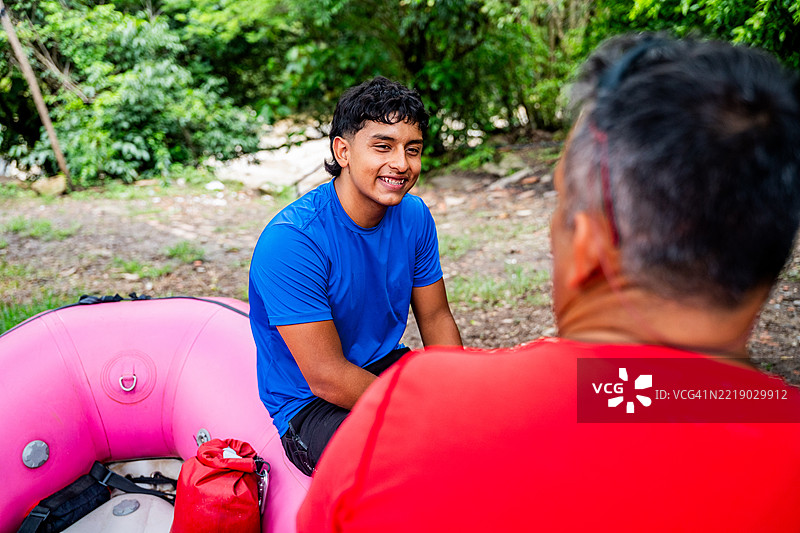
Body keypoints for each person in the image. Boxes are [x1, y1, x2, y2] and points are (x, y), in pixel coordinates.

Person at [298, 35, 800, 531]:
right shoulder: (782, 429)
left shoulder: (409, 413)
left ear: (586, 246)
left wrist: (442, 397)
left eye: (562, 204)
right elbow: (654, 396)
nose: (401, 164)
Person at [248, 76, 462, 476]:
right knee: (415, 459)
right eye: (383, 146)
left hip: (384, 365)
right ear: (342, 151)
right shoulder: (292, 242)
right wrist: (422, 411)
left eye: (411, 150)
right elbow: (327, 377)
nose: (401, 164)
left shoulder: (413, 216)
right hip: (311, 406)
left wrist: (458, 392)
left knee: (483, 422)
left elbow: (435, 317)